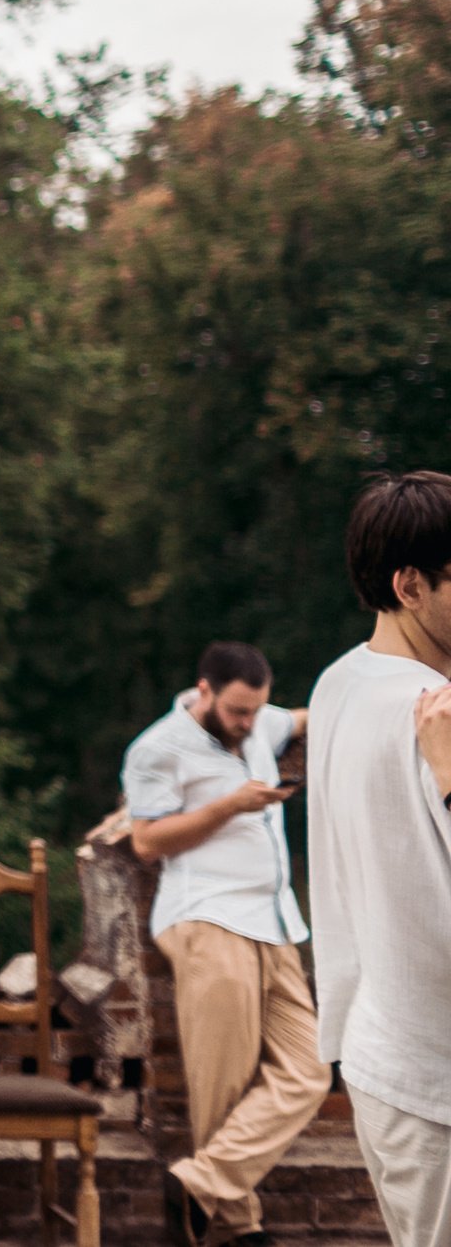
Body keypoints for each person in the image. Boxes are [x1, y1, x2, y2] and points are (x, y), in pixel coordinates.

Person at [122, 641, 323, 1247]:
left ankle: (200, 1181)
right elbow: (146, 841)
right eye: (237, 711)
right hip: (207, 919)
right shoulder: (156, 748)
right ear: (204, 691)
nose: (247, 724)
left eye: (256, 711)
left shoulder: (262, 721)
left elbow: (308, 717)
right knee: (225, 1081)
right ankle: (236, 1229)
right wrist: (231, 804)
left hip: (274, 920)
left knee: (310, 1070)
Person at [310, 470, 451, 1247]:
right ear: (411, 585)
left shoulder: (338, 681)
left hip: (379, 1053)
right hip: (437, 1077)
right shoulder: (435, 717)